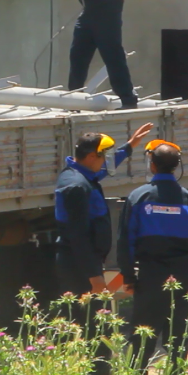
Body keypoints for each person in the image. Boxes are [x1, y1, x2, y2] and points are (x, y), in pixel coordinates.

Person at [117, 140, 188, 375]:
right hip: (182, 277)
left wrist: (129, 276)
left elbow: (126, 240)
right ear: (176, 166)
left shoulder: (138, 197)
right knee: (178, 338)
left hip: (150, 277)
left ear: (152, 165)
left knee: (142, 336)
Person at [55, 123, 154, 297]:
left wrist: (130, 146)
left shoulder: (80, 173)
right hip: (78, 266)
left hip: (83, 263)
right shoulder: (77, 186)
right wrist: (94, 276)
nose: (105, 163)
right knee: (83, 319)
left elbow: (104, 170)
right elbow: (78, 235)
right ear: (92, 156)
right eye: (103, 158)